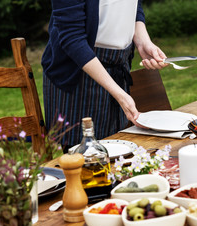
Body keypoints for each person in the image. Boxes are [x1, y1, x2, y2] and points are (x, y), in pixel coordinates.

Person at [41, 0, 167, 151]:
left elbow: (132, 5)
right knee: (85, 160)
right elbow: (72, 38)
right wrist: (119, 94)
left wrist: (143, 41)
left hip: (118, 67)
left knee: (120, 149)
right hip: (77, 75)